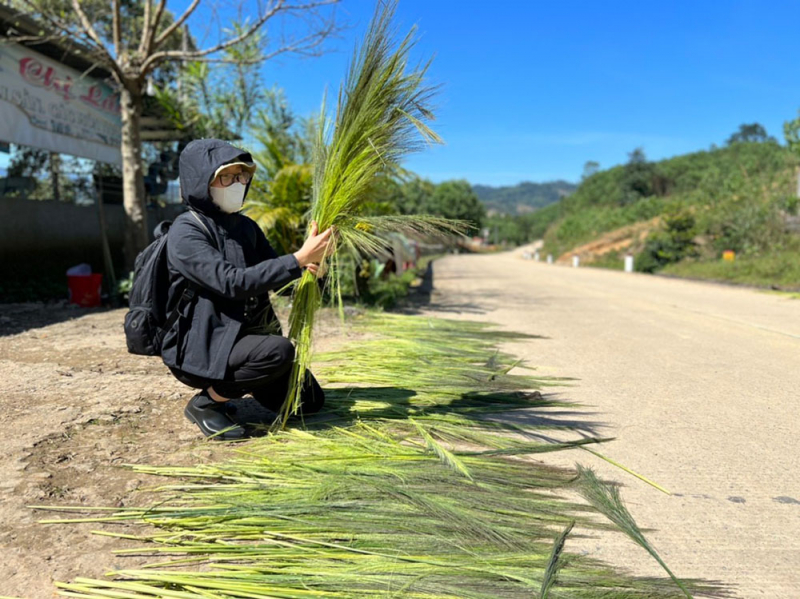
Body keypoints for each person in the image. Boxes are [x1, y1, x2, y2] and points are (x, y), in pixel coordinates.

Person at [160, 139, 334, 439]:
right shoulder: (186, 231)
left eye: (242, 176)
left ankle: (240, 382)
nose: (237, 184)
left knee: (309, 402)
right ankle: (207, 402)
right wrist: (297, 259)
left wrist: (315, 267)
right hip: (205, 344)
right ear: (202, 180)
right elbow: (231, 283)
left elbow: (281, 279)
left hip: (247, 342)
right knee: (278, 352)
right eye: (227, 177)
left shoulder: (246, 227)